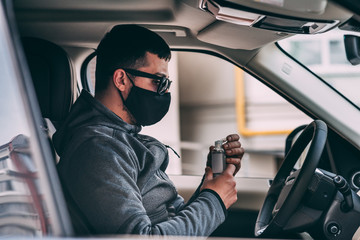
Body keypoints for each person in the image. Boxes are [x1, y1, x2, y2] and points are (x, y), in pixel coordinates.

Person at [53, 25, 245, 236]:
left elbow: (170, 220)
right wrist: (214, 200)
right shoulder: (96, 150)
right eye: (159, 82)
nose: (165, 91)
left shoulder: (122, 140)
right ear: (121, 80)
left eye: (167, 83)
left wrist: (209, 185)